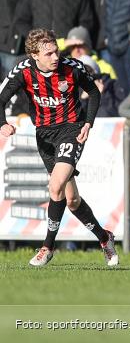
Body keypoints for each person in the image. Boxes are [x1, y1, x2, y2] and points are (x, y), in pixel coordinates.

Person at [0, 29, 117, 267]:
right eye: (49, 53)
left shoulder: (72, 68)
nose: (55, 57)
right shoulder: (23, 72)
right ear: (34, 55)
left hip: (71, 129)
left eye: (56, 51)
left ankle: (47, 247)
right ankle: (105, 238)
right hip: (44, 135)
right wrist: (2, 123)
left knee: (55, 188)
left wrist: (88, 123)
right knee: (72, 200)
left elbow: (93, 91)